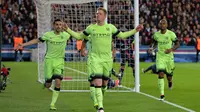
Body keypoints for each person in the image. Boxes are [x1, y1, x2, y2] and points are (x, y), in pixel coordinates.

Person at [64, 7, 143, 112]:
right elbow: (79, 36)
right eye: (97, 13)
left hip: (107, 60)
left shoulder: (110, 27)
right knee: (98, 82)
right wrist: (68, 29)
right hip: (95, 59)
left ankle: (100, 97)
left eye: (100, 14)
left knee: (104, 84)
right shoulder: (91, 28)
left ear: (105, 16)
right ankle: (100, 107)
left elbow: (122, 35)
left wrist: (135, 30)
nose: (97, 15)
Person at [18, 19, 82, 110]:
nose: (59, 26)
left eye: (60, 25)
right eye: (57, 24)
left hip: (59, 62)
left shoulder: (65, 35)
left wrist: (91, 29)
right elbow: (37, 40)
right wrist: (23, 45)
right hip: (49, 61)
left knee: (58, 83)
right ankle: (46, 82)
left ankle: (52, 104)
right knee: (48, 84)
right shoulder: (48, 35)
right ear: (54, 25)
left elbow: (79, 34)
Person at [149, 19, 180, 100]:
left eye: (164, 24)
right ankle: (162, 95)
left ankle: (170, 82)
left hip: (169, 57)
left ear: (166, 25)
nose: (162, 25)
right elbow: (154, 43)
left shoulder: (171, 34)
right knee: (161, 73)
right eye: (161, 24)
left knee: (169, 76)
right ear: (159, 25)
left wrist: (171, 49)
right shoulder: (156, 35)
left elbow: (178, 44)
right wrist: (152, 48)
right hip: (160, 56)